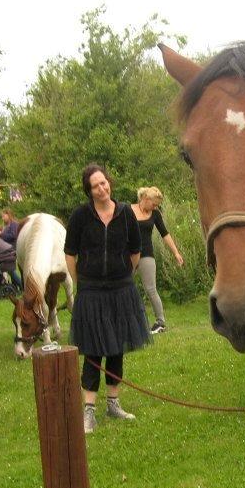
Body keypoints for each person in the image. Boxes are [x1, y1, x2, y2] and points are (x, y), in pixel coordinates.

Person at [64, 164, 151, 433]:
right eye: (95, 186)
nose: (102, 189)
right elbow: (70, 253)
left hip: (120, 289)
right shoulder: (80, 216)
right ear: (88, 191)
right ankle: (89, 411)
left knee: (116, 347)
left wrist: (123, 274)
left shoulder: (125, 213)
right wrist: (80, 282)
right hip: (90, 292)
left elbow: (135, 251)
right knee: (92, 349)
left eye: (104, 183)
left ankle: (113, 403)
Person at [131, 186, 184, 334]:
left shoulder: (155, 214)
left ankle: (160, 323)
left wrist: (176, 253)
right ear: (145, 199)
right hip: (128, 255)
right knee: (123, 288)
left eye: (157, 205)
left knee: (151, 289)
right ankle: (127, 322)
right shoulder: (128, 210)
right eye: (154, 204)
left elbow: (165, 234)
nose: (155, 207)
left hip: (146, 255)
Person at [0, 208, 23, 290]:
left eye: (3, 216)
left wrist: (1, 234)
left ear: (9, 215)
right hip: (7, 251)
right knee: (10, 270)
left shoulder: (14, 224)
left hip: (11, 250)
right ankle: (15, 288)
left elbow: (13, 236)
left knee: (11, 270)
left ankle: (22, 286)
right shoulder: (6, 226)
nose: (2, 218)